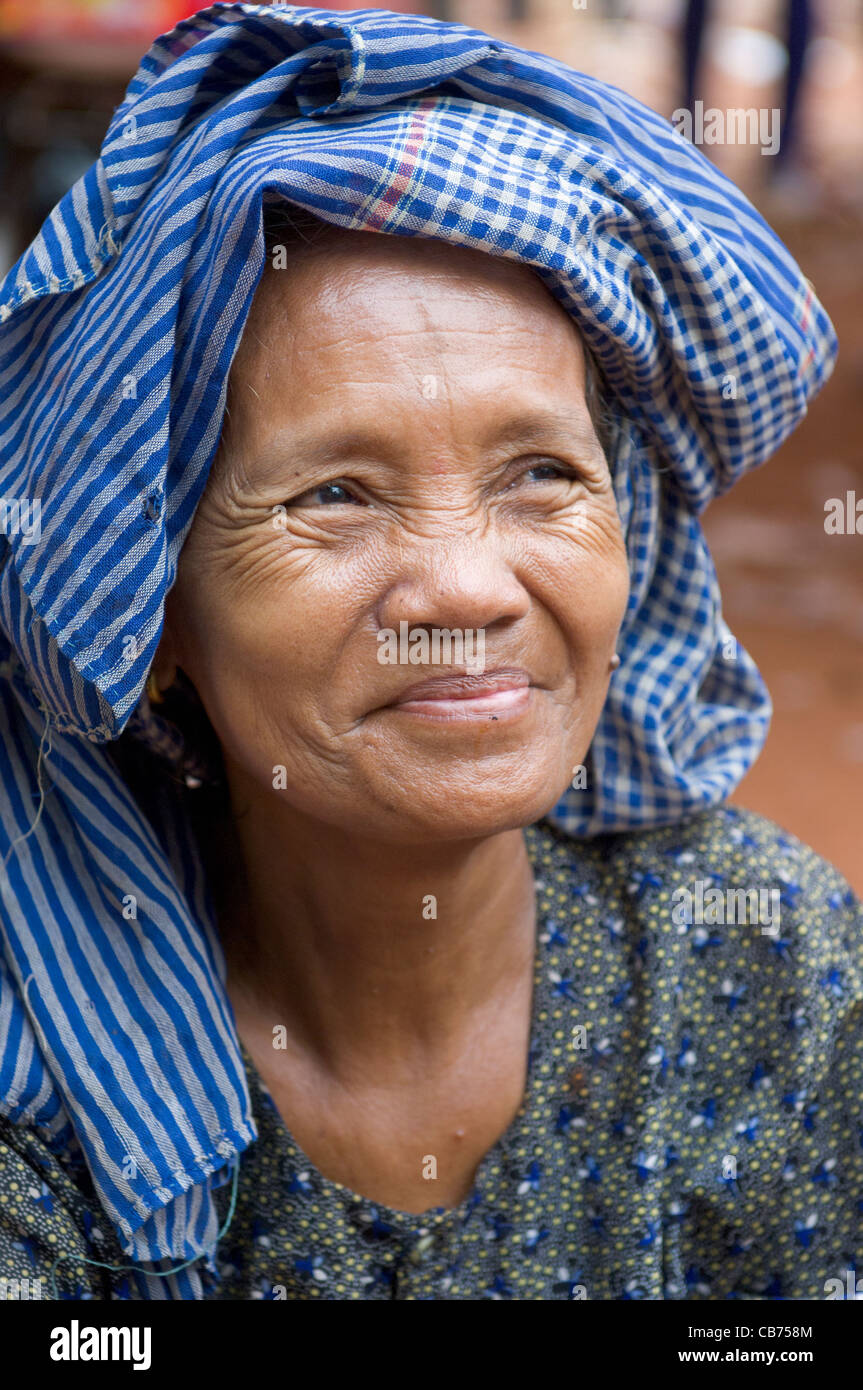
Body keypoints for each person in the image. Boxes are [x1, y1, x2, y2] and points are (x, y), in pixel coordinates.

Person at [0, 4, 859, 1301]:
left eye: (542, 475)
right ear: (152, 611)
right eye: (334, 494)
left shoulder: (766, 965)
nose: (467, 586)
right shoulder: (44, 1086)